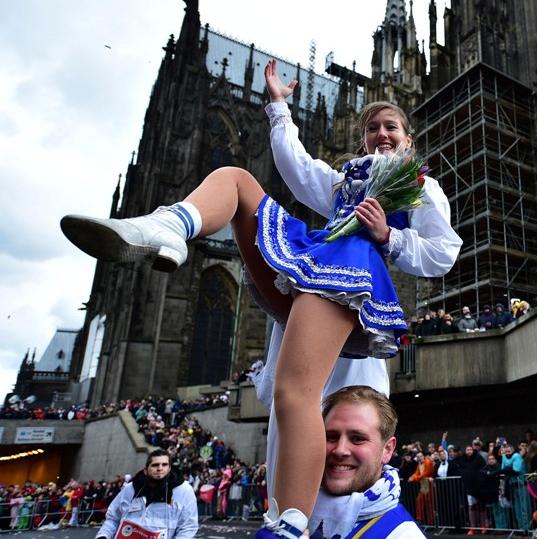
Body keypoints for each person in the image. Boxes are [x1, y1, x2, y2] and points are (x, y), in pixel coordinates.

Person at [64, 59, 461, 539]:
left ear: (408, 138)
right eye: (372, 126)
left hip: (349, 276)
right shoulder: (345, 180)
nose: (380, 132)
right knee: (235, 180)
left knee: (295, 393)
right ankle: (168, 227)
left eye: (390, 126)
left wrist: (388, 238)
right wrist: (278, 107)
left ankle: (290, 522)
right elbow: (295, 169)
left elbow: (443, 254)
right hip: (312, 267)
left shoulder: (420, 186)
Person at [301, 385, 425, 538]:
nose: (340, 450)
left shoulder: (403, 535)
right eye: (331, 436)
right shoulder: (293, 514)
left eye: (357, 439)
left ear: (387, 450)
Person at [95, 449, 199, 539]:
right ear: (145, 470)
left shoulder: (184, 490)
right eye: (155, 465)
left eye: (164, 465)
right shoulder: (130, 489)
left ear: (169, 468)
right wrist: (103, 536)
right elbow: (113, 518)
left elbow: (188, 528)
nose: (160, 468)